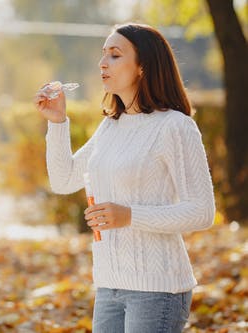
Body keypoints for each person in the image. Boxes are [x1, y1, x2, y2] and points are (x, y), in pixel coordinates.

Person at [35, 23, 215, 332]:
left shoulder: (175, 126)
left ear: (143, 66)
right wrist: (58, 122)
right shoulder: (111, 127)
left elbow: (202, 212)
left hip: (158, 289)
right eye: (103, 54)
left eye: (115, 55)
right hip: (109, 285)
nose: (103, 63)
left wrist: (129, 216)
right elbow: (63, 181)